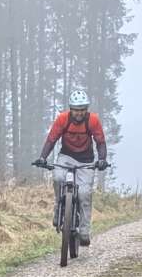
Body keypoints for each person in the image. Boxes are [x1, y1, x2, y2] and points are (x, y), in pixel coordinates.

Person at [31, 88, 109, 247]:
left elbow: (100, 143)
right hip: (66, 157)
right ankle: (58, 208)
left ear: (86, 109)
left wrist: (102, 160)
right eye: (76, 110)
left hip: (86, 161)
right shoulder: (62, 119)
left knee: (84, 194)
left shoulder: (93, 120)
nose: (79, 113)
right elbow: (51, 140)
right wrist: (43, 157)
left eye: (82, 110)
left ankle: (84, 231)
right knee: (58, 178)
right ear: (71, 109)